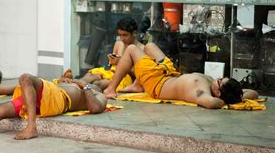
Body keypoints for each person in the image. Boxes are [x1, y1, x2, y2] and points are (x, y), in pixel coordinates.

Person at [0, 74, 107, 140]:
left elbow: (95, 108)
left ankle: (31, 127)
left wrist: (85, 86)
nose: (93, 80)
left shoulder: (98, 93)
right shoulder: (77, 83)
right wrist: (67, 79)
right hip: (45, 95)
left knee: (25, 78)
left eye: (96, 81)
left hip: (57, 100)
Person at [103, 43, 258, 108]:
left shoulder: (202, 91)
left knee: (130, 49)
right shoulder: (215, 87)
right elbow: (253, 93)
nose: (217, 79)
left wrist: (223, 102)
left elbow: (211, 103)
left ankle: (110, 89)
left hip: (157, 83)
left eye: (219, 81)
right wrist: (238, 98)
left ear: (218, 93)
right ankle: (138, 84)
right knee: (150, 46)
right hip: (168, 74)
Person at [60, 17, 145, 91]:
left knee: (98, 83)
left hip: (123, 77)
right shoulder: (119, 44)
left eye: (125, 35)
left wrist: (120, 63)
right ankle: (71, 84)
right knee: (89, 76)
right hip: (110, 71)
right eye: (120, 35)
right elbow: (111, 64)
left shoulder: (140, 49)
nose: (122, 38)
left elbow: (140, 74)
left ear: (134, 33)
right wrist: (111, 61)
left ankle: (75, 86)